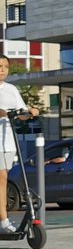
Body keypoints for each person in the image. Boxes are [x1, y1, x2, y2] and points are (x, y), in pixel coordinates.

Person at [0, 55, 40, 234]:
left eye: (6, 67)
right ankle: (3, 222)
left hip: (8, 141)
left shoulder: (11, 89)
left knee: (4, 178)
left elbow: (21, 113)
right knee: (1, 178)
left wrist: (30, 112)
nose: (2, 70)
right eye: (0, 66)